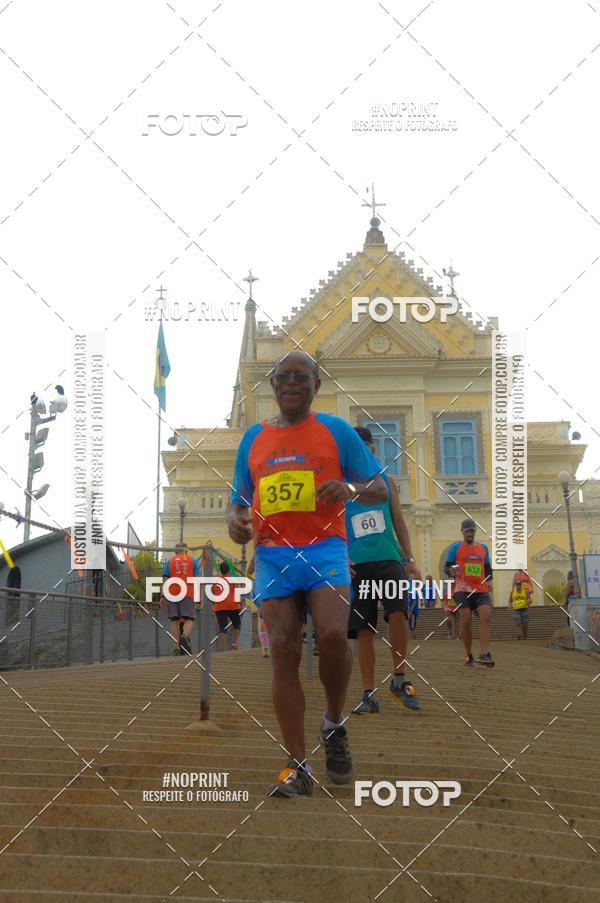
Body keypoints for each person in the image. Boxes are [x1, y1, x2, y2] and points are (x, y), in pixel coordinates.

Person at [227, 351, 387, 798]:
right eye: (284, 376)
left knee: (333, 635)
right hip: (273, 555)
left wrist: (349, 488)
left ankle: (333, 723)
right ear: (273, 384)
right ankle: (297, 766)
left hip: (325, 548)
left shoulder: (336, 431)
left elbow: (380, 488)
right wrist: (235, 520)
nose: (292, 383)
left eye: (302, 377)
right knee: (282, 647)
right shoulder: (253, 439)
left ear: (316, 385)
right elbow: (238, 500)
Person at [346, 426, 421, 715]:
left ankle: (399, 679)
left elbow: (398, 520)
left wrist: (410, 558)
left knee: (398, 614)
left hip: (389, 559)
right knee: (363, 628)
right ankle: (368, 693)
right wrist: (341, 557)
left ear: (372, 450)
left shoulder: (386, 482)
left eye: (363, 449)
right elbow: (332, 526)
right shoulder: (343, 487)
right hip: (358, 565)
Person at [444, 519, 494, 668]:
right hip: (462, 590)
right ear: (462, 532)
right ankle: (469, 655)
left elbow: (487, 568)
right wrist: (451, 571)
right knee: (465, 622)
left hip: (480, 590)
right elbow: (447, 567)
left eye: (471, 530)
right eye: (467, 531)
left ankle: (485, 653)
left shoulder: (483, 548)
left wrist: (489, 580)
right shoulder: (455, 548)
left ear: (475, 531)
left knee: (486, 616)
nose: (469, 533)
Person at [162, 543, 199, 655]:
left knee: (174, 620)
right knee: (189, 619)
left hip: (172, 593)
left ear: (175, 551)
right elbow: (197, 580)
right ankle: (184, 636)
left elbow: (165, 579)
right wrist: (199, 597)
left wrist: (163, 596)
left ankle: (176, 648)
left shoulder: (170, 561)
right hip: (188, 592)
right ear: (185, 551)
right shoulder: (192, 561)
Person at [212, 561, 242, 651]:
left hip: (219, 606)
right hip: (233, 605)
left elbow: (212, 593)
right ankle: (234, 643)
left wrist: (213, 604)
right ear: (229, 570)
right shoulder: (233, 580)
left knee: (222, 627)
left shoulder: (215, 581)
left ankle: (222, 648)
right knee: (237, 624)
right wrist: (240, 604)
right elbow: (238, 592)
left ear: (220, 570)